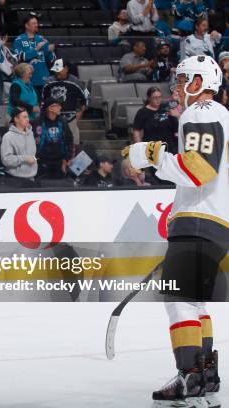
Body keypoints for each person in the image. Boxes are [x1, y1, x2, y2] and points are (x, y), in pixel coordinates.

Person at [122, 55, 227, 408]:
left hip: (200, 220)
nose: (178, 87)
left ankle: (190, 375)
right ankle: (207, 373)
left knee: (179, 298)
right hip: (216, 221)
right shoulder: (221, 115)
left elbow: (199, 169)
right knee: (195, 300)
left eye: (184, 80)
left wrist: (150, 154)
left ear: (200, 81)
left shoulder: (201, 112)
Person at [42, 58, 88, 148]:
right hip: (53, 118)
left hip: (70, 118)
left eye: (58, 70)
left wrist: (81, 111)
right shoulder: (48, 82)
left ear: (66, 69)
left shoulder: (76, 81)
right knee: (53, 144)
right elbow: (43, 99)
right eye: (55, 70)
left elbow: (87, 97)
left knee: (73, 143)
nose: (56, 73)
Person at [13, 15, 56, 98]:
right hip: (27, 80)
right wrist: (35, 49)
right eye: (34, 23)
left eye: (37, 23)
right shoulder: (19, 40)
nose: (37, 25)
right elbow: (18, 58)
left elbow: (52, 60)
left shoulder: (42, 39)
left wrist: (50, 52)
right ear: (26, 25)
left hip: (43, 78)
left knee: (44, 106)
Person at [33, 97, 74, 179]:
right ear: (50, 108)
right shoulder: (39, 122)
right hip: (43, 162)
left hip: (60, 162)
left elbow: (69, 140)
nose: (60, 107)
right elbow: (34, 141)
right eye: (57, 106)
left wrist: (67, 159)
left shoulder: (62, 121)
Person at [133, 86, 180, 153]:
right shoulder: (142, 112)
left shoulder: (166, 107)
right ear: (149, 98)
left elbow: (176, 125)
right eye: (155, 98)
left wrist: (177, 116)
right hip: (153, 147)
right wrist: (139, 148)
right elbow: (136, 131)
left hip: (170, 146)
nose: (158, 100)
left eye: (159, 97)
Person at [0, 106, 38, 188]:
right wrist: (25, 158)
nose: (27, 119)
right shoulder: (8, 137)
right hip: (15, 182)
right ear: (16, 119)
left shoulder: (30, 134)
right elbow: (6, 160)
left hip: (32, 179)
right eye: (24, 117)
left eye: (27, 116)